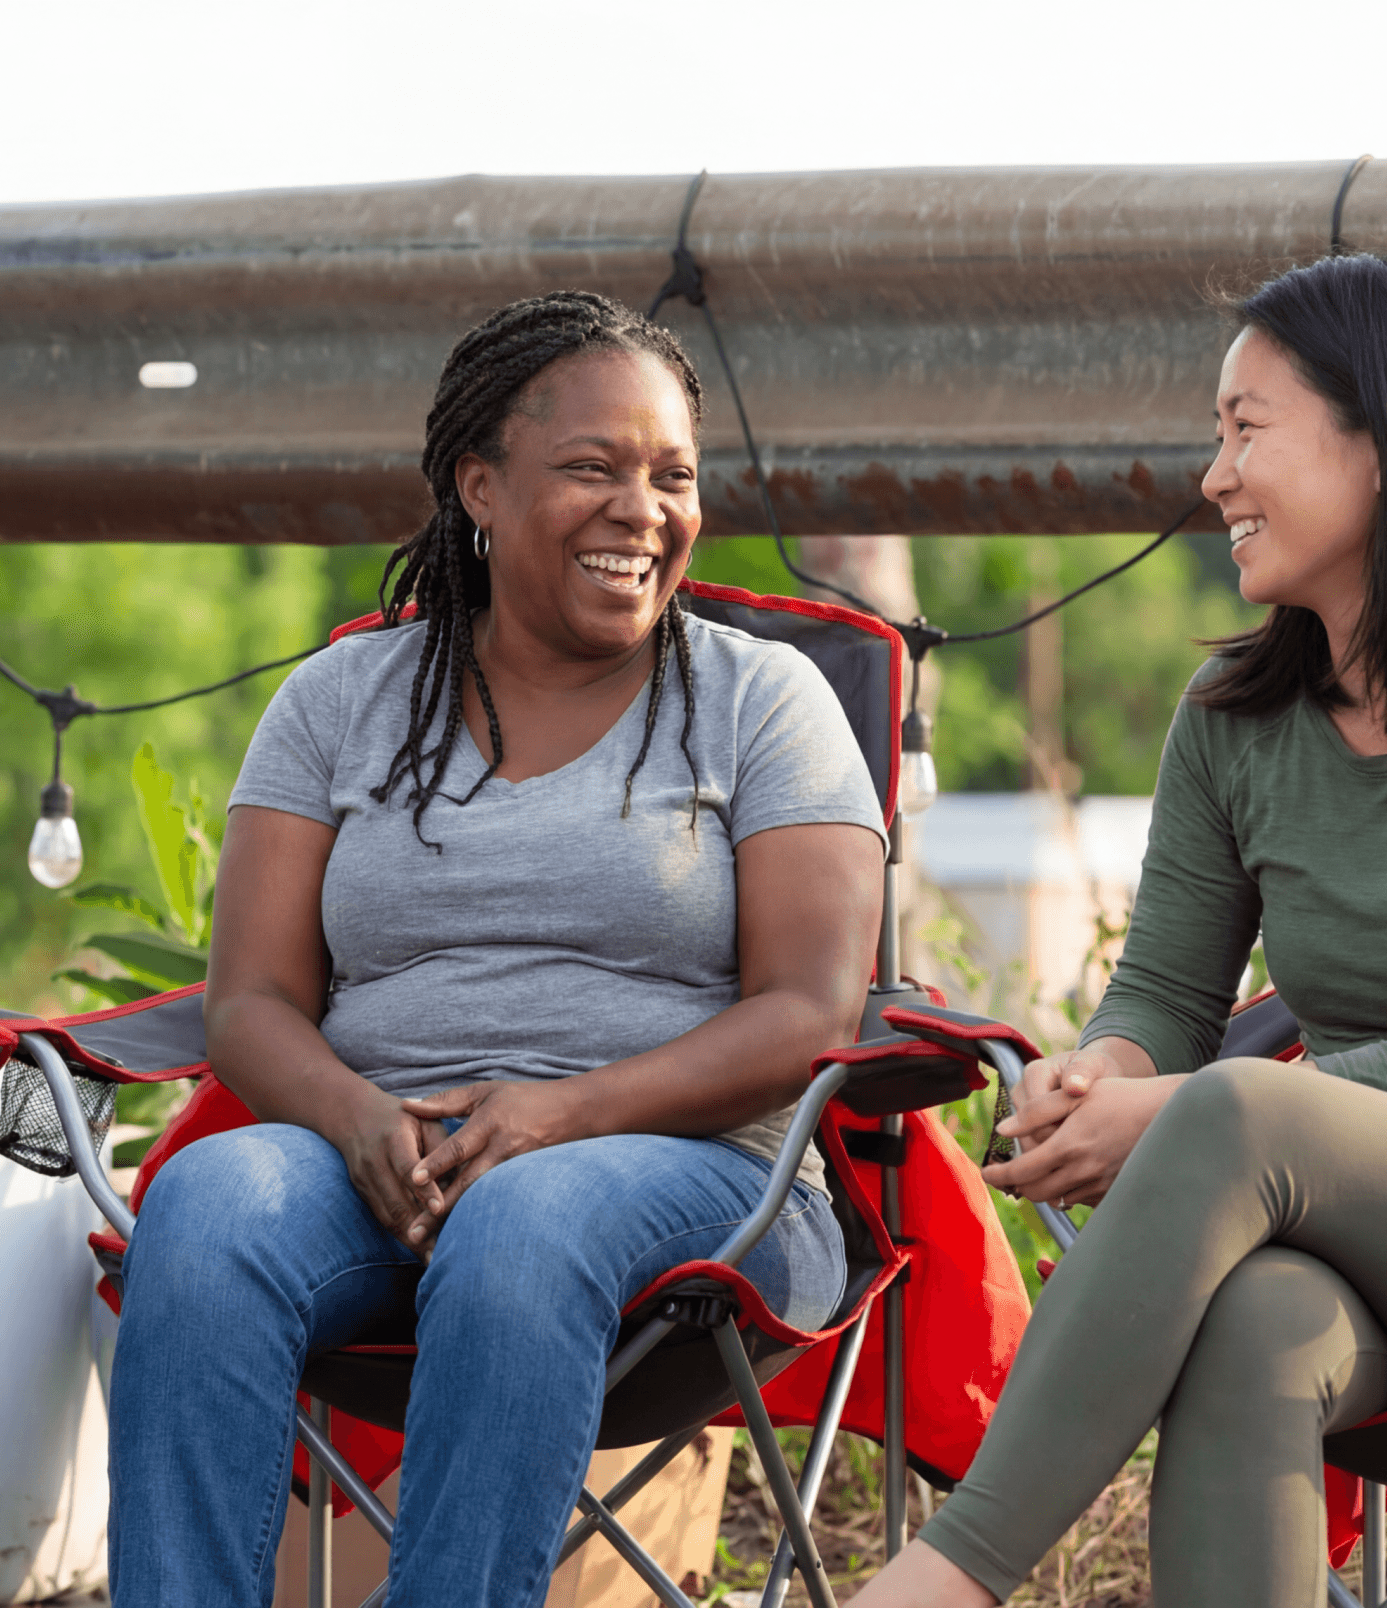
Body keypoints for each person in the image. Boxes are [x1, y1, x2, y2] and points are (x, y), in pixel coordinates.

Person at [104, 290, 888, 1606]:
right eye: (593, 467)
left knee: (527, 1211)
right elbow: (249, 1003)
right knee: (209, 1205)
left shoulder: (764, 702)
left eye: (673, 475)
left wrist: (561, 1116)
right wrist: (355, 1120)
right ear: (481, 484)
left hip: (710, 1185)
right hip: (382, 1167)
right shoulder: (342, 702)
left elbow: (812, 1015)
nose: (644, 509)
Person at [850, 250, 1387, 1608]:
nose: (1215, 478)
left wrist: (1190, 1111)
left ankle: (943, 1583)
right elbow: (1162, 994)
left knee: (1243, 1111)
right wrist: (1109, 1077)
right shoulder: (1235, 718)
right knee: (1257, 1325)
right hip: (1365, 1239)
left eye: (1247, 429)